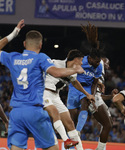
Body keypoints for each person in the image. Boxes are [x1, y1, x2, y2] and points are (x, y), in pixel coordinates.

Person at [0, 19, 84, 150]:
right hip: (35, 111)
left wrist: (14, 33)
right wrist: (74, 69)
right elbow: (55, 72)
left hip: (16, 112)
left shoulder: (13, 58)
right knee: (52, 148)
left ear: (24, 43)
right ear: (40, 45)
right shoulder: (40, 58)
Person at [43, 49, 95, 150]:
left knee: (70, 123)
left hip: (55, 96)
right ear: (76, 59)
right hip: (44, 92)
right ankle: (66, 140)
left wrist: (87, 94)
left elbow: (75, 83)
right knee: (55, 114)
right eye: (81, 60)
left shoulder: (73, 73)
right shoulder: (55, 63)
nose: (81, 63)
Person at [67, 47, 103, 134]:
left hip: (87, 87)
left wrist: (92, 96)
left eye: (99, 61)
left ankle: (78, 131)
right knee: (73, 116)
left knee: (85, 105)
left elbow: (95, 83)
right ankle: (71, 139)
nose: (98, 64)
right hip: (74, 87)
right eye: (96, 61)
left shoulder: (99, 67)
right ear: (90, 58)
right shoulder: (81, 61)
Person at [88, 57, 118, 150]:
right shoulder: (95, 70)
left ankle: (101, 147)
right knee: (107, 125)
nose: (108, 66)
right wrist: (91, 100)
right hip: (92, 99)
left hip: (97, 98)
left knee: (108, 124)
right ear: (101, 61)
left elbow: (99, 95)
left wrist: (111, 96)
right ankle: (100, 149)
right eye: (107, 63)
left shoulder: (101, 75)